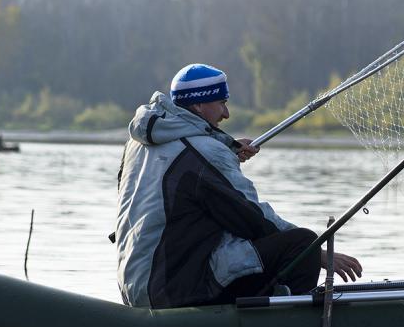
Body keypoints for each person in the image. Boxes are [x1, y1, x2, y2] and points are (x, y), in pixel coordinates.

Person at [115, 63, 362, 309]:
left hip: (134, 285)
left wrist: (226, 147)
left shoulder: (136, 145)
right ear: (199, 105)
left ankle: (272, 300)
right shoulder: (205, 154)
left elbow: (188, 173)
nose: (226, 113)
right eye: (221, 103)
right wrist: (314, 253)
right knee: (300, 242)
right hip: (172, 289)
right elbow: (254, 219)